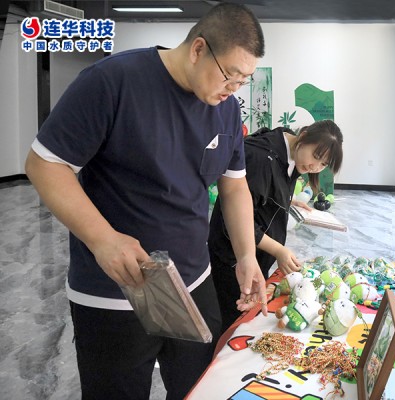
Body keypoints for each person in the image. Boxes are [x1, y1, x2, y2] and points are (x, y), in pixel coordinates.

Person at [24, 3, 269, 399]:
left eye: (244, 80)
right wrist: (104, 239)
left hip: (194, 283)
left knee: (199, 389)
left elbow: (234, 185)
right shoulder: (112, 81)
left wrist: (245, 255)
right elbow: (45, 164)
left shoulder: (226, 109)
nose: (234, 89)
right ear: (198, 49)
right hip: (116, 293)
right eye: (230, 75)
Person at [209, 120, 344, 330]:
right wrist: (278, 250)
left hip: (255, 258)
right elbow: (235, 222)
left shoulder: (290, 153)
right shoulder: (261, 157)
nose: (314, 167)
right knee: (232, 324)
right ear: (303, 135)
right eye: (316, 157)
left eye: (323, 164)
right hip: (233, 260)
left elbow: (264, 192)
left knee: (245, 316)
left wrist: (287, 199)